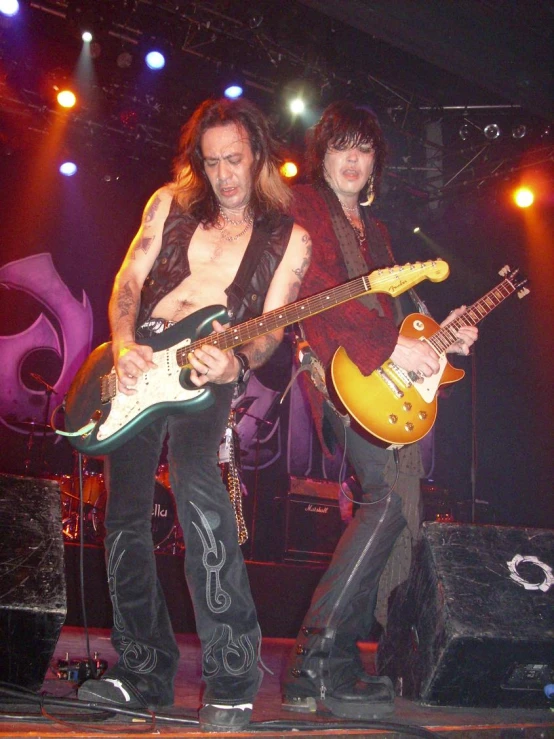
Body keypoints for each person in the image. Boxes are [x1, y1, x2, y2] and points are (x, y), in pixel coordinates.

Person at [76, 97, 311, 732]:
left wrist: (239, 365)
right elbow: (130, 276)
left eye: (234, 160)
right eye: (212, 164)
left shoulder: (288, 236)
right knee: (123, 516)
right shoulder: (169, 202)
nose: (224, 176)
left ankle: (232, 673)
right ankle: (141, 671)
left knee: (201, 496)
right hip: (138, 366)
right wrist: (124, 342)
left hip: (208, 370)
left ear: (258, 154)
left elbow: (271, 331)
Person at [281, 101, 478, 719]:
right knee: (388, 502)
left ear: (375, 165)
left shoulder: (380, 234)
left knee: (385, 504)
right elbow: (316, 297)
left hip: (376, 376)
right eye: (341, 146)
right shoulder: (302, 207)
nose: (352, 159)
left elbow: (395, 316)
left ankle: (330, 664)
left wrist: (438, 341)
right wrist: (397, 344)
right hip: (340, 373)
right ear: (324, 154)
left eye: (363, 150)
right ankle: (314, 660)